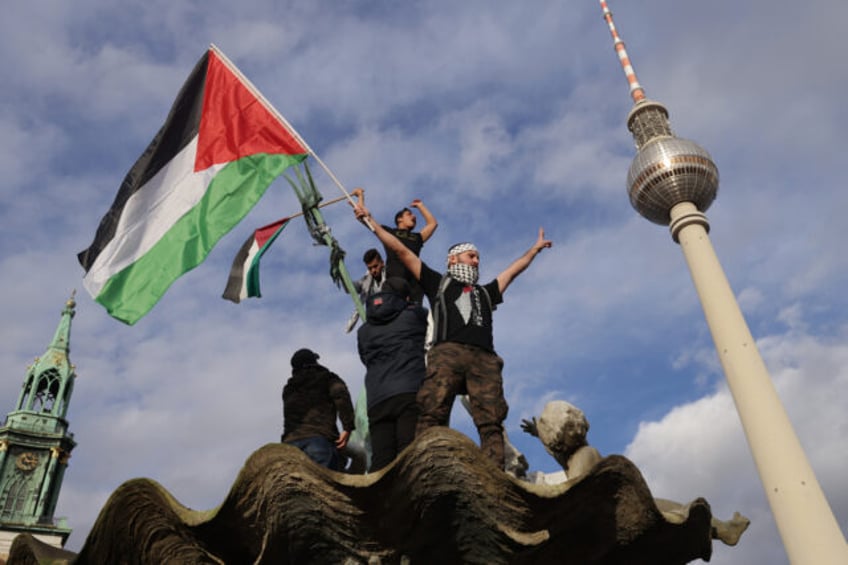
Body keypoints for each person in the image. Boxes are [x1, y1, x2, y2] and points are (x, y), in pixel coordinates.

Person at [353, 201, 551, 469]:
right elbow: (400, 250)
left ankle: (493, 474)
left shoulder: (485, 292)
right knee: (432, 412)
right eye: (471, 256)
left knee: (490, 422)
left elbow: (512, 271)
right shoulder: (439, 283)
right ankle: (425, 467)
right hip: (447, 354)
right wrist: (372, 223)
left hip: (483, 359)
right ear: (453, 259)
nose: (476, 261)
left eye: (478, 257)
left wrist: (534, 251)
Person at [521, 400, 750, 546]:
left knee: (675, 513)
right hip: (620, 509)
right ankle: (723, 529)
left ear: (556, 439)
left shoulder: (582, 458)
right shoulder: (582, 452)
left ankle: (722, 529)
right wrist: (540, 434)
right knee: (671, 508)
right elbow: (563, 457)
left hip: (616, 519)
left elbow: (572, 497)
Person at [357, 277, 428, 472]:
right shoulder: (416, 315)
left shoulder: (364, 330)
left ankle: (380, 501)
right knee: (409, 453)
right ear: (406, 297)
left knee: (381, 459)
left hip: (377, 398)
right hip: (409, 391)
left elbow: (365, 359)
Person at [351, 188, 438, 304]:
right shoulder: (389, 232)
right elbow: (365, 218)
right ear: (399, 219)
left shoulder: (417, 237)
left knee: (414, 316)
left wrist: (420, 206)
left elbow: (433, 224)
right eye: (409, 214)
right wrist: (360, 196)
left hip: (415, 285)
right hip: (395, 281)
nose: (414, 217)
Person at [281, 348, 356, 471]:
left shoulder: (289, 388)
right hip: (319, 441)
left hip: (289, 446)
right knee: (326, 487)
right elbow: (340, 395)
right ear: (313, 362)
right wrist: (348, 428)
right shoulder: (326, 378)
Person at [345, 248, 386, 333]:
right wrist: (342, 276)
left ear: (382, 263)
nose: (373, 271)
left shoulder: (392, 276)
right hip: (376, 322)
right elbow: (351, 288)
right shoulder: (367, 281)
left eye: (375, 266)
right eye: (370, 268)